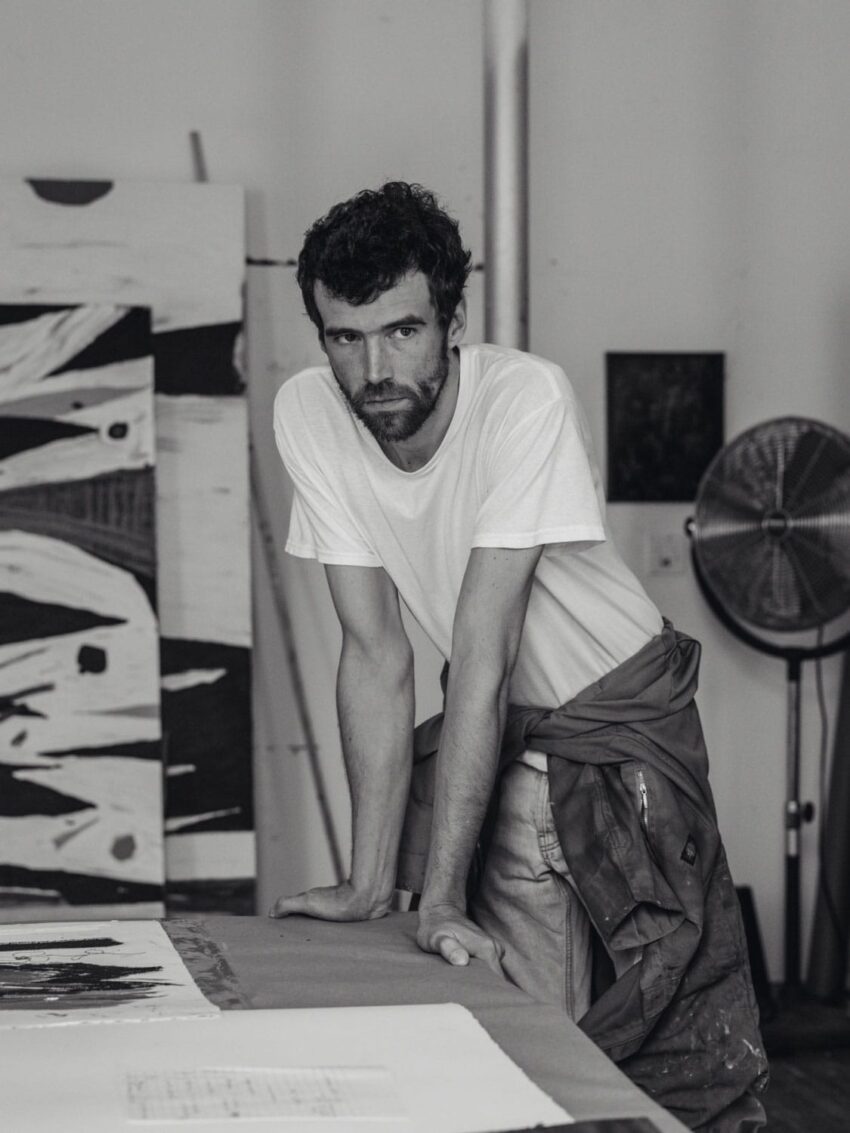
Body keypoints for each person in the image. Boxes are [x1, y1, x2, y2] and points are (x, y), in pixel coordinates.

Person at [272, 182, 767, 1131]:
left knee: (644, 1050)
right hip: (497, 734)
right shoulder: (310, 412)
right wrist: (372, 879)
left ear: (452, 320)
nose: (374, 368)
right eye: (345, 338)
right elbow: (374, 653)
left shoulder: (522, 397)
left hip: (618, 737)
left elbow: (482, 646)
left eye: (402, 331)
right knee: (514, 1039)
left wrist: (443, 895)